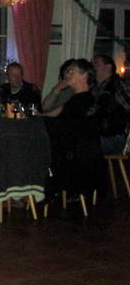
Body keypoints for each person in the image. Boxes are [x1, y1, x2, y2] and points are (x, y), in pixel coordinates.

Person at [43, 59, 104, 201]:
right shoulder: (75, 99)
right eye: (67, 71)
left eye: (72, 71)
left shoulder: (85, 100)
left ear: (84, 75)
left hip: (76, 152)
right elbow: (52, 114)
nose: (67, 74)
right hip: (74, 148)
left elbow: (67, 126)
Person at [91, 54, 130, 155]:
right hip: (98, 135)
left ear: (108, 67)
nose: (93, 66)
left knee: (86, 147)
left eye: (96, 63)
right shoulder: (93, 88)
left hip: (114, 137)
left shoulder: (118, 85)